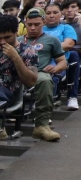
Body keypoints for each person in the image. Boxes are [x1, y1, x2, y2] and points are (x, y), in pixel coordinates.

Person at [20, 8, 67, 140]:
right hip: (17, 73)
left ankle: (42, 125)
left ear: (44, 22)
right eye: (29, 24)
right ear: (25, 23)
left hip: (39, 73)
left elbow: (63, 62)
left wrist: (55, 68)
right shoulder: (17, 40)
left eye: (37, 24)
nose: (33, 28)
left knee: (45, 80)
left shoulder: (51, 40)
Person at [41, 3, 79, 110]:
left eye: (55, 12)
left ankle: (71, 97)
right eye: (48, 13)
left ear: (61, 14)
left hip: (58, 62)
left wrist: (46, 47)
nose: (51, 15)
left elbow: (68, 44)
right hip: (39, 61)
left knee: (52, 77)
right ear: (44, 15)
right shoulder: (39, 28)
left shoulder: (66, 28)